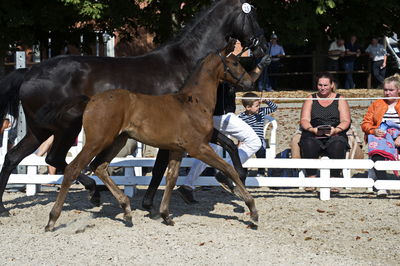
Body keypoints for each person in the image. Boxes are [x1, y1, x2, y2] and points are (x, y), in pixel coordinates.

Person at [299, 72, 351, 192]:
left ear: (332, 85)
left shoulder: (340, 99)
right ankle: (311, 178)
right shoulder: (311, 98)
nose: (322, 88)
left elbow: (345, 120)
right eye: (320, 85)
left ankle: (334, 179)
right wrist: (312, 129)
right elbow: (304, 119)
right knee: (308, 143)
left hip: (335, 130)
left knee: (338, 144)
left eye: (325, 85)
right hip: (314, 130)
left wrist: (336, 130)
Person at [361, 74, 400, 197]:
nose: (387, 93)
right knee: (376, 152)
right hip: (382, 136)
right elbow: (365, 123)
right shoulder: (376, 104)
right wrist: (373, 131)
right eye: (385, 90)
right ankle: (382, 185)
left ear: (398, 90)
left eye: (391, 90)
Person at [238, 92, 278, 176]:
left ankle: (261, 172)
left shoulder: (261, 112)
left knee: (261, 152)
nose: (258, 107)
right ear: (248, 107)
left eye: (258, 105)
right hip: (247, 140)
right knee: (243, 153)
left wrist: (266, 101)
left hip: (259, 139)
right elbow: (239, 130)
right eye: (256, 106)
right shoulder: (241, 117)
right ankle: (244, 171)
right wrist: (239, 142)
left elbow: (274, 108)